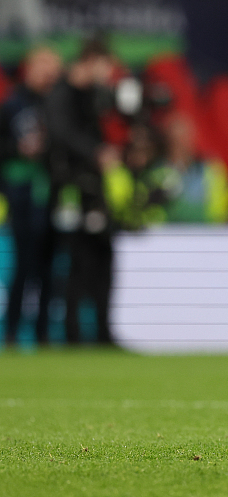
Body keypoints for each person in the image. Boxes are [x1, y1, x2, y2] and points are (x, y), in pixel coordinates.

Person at [45, 38, 119, 345]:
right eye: (105, 66)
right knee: (76, 262)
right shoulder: (61, 94)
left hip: (94, 190)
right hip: (69, 189)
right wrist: (95, 152)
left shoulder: (93, 97)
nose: (108, 74)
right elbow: (61, 134)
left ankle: (103, 332)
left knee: (104, 258)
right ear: (91, 60)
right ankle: (73, 335)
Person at [1, 47, 62, 346]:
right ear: (30, 67)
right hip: (21, 193)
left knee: (47, 268)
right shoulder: (12, 105)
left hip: (48, 192)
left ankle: (43, 333)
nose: (49, 74)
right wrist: (18, 151)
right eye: (44, 67)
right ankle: (12, 331)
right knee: (24, 266)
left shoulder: (55, 104)